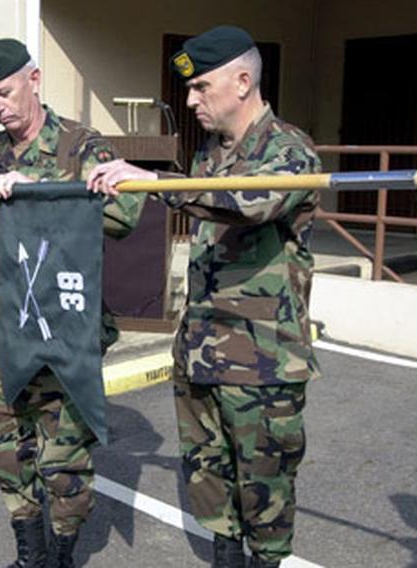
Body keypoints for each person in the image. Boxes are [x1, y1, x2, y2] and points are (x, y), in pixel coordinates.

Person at [88, 25, 321, 568]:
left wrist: (151, 181)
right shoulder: (210, 157)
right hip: (200, 352)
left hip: (263, 361)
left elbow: (250, 203)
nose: (191, 100)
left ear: (242, 82)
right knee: (210, 486)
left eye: (202, 88)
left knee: (265, 497)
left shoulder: (289, 150)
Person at [0, 39, 144, 568]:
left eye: (4, 92)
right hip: (5, 326)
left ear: (34, 80)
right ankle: (30, 553)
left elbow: (125, 217)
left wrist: (40, 191)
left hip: (66, 325)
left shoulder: (83, 146)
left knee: (64, 459)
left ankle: (61, 552)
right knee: (5, 447)